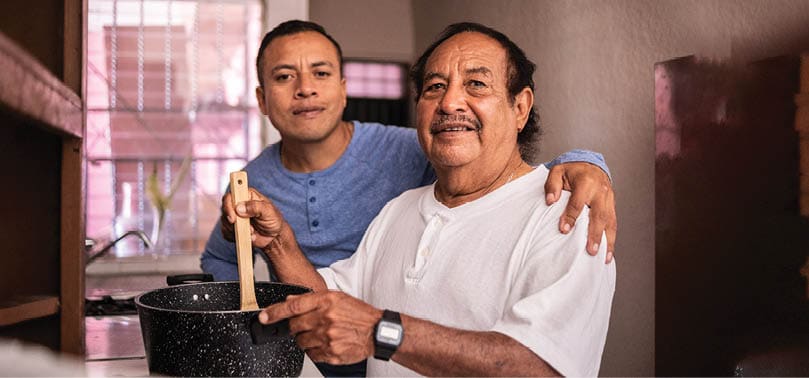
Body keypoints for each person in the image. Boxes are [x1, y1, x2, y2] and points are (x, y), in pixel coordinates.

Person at [201, 20, 616, 376]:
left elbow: (544, 367)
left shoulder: (571, 215)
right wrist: (278, 243)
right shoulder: (398, 210)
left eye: (476, 83)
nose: (450, 101)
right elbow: (326, 303)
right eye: (435, 86)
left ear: (520, 107)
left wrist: (380, 330)